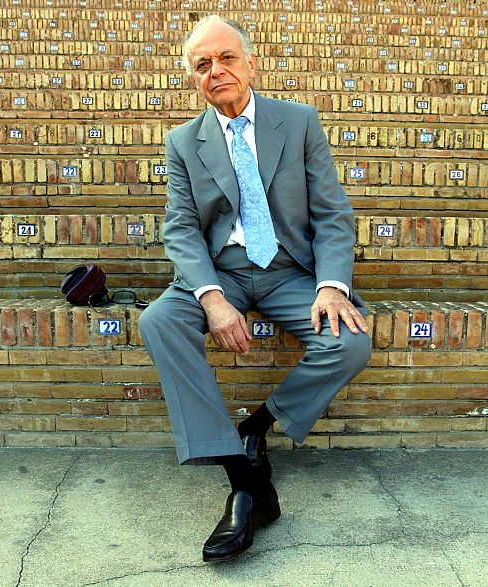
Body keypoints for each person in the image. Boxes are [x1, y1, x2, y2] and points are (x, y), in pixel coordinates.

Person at [138, 15, 372, 562]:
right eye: (202, 65)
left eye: (226, 58)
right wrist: (211, 298)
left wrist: (332, 285)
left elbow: (333, 212)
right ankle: (244, 478)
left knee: (350, 342)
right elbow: (180, 226)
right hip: (222, 272)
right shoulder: (183, 142)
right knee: (159, 321)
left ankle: (255, 425)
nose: (216, 71)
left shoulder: (298, 122)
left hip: (290, 269)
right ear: (193, 79)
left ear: (250, 62)